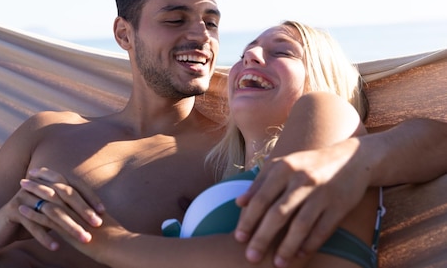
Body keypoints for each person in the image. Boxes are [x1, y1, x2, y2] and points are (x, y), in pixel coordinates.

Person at [0, 0, 447, 268]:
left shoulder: (226, 156)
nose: (201, 37)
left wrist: (351, 161)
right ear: (124, 35)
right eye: (176, 20)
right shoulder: (48, 132)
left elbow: (418, 141)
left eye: (211, 23)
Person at [19, 20, 383, 268]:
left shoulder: (326, 108)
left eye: (282, 52)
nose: (251, 57)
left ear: (323, 76)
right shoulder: (233, 176)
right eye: (245, 53)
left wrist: (106, 240)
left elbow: (257, 256)